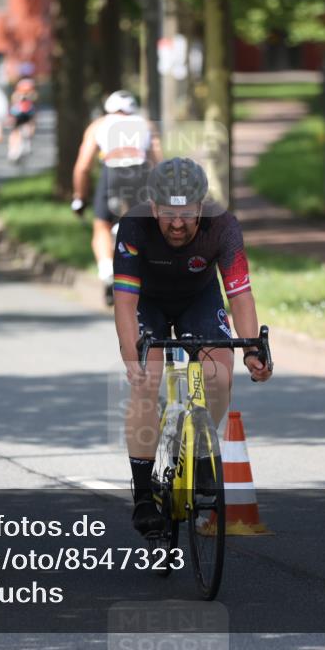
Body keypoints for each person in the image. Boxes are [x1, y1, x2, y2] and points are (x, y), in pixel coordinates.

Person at [112, 157, 273, 535]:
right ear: (153, 208)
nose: (179, 224)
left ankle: (202, 447)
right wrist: (130, 359)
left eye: (187, 214)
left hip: (197, 299)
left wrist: (252, 353)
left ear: (202, 206)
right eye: (168, 214)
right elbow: (124, 303)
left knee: (218, 376)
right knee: (146, 381)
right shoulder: (135, 225)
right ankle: (143, 496)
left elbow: (241, 295)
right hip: (147, 302)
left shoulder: (223, 226)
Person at [71, 90, 162, 306]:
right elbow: (158, 163)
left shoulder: (99, 125)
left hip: (111, 172)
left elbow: (83, 166)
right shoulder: (146, 124)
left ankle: (106, 272)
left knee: (101, 225)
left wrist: (79, 197)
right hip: (139, 174)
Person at [6, 77, 37, 162]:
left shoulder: (29, 94)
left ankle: (24, 146)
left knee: (25, 129)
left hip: (25, 114)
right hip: (19, 114)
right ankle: (13, 151)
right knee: (16, 131)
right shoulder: (18, 95)